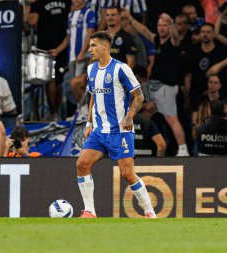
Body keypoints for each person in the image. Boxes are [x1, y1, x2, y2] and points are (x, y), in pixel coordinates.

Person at [76, 31, 156, 218]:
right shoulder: (91, 69)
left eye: (93, 45)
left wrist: (129, 116)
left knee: (127, 174)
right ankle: (89, 211)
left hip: (119, 131)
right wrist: (89, 123)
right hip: (98, 131)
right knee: (82, 163)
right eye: (89, 46)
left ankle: (149, 212)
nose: (90, 50)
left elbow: (139, 96)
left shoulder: (121, 69)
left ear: (105, 47)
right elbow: (93, 97)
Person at [125, 10, 190, 156]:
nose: (161, 28)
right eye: (159, 25)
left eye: (165, 25)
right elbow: (144, 30)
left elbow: (175, 35)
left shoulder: (174, 42)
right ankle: (133, 139)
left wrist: (171, 22)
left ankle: (183, 149)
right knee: (138, 104)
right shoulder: (157, 41)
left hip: (165, 87)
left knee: (172, 119)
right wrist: (130, 18)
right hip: (153, 86)